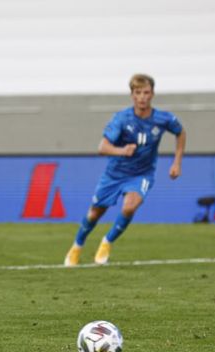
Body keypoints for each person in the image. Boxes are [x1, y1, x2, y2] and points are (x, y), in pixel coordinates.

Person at [64, 73, 186, 266]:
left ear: (152, 94)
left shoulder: (163, 119)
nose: (142, 97)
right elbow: (102, 147)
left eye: (146, 92)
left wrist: (177, 162)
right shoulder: (121, 119)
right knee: (95, 214)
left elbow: (180, 132)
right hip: (115, 173)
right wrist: (122, 151)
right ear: (132, 95)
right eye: (138, 93)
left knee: (130, 206)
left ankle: (107, 242)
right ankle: (77, 246)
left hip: (142, 173)